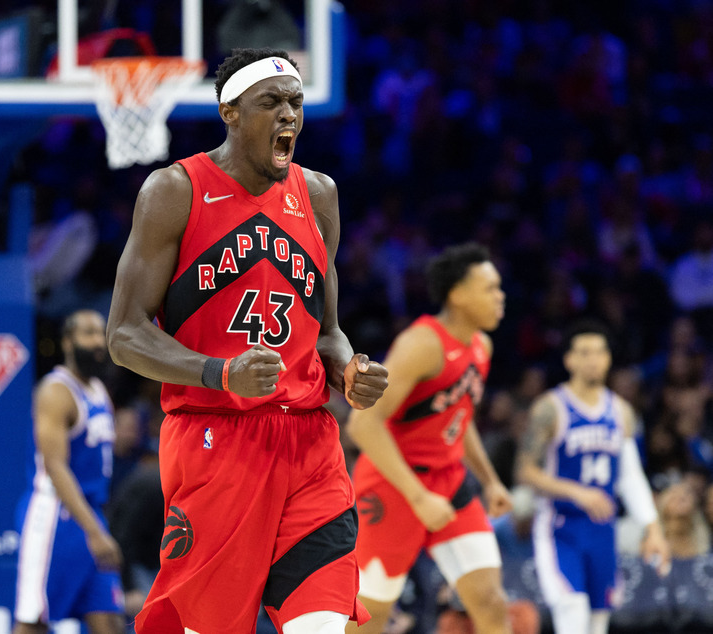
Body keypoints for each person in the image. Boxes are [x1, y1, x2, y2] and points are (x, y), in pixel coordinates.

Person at [107, 47, 389, 634]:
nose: (288, 116)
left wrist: (350, 371)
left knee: (323, 625)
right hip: (217, 439)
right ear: (230, 111)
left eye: (295, 103)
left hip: (311, 442)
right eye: (271, 103)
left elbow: (327, 332)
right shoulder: (174, 191)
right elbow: (124, 334)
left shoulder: (319, 195)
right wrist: (219, 373)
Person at [346, 242, 513, 634]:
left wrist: (490, 481)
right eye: (490, 288)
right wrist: (418, 496)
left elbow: (459, 416)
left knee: (490, 602)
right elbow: (362, 425)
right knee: (372, 616)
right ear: (456, 294)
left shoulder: (481, 345)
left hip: (450, 480)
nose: (500, 296)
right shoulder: (421, 344)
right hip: (393, 484)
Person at [516, 319, 670, 634]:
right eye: (584, 352)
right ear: (569, 359)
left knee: (598, 623)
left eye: (600, 352)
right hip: (561, 528)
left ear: (609, 358)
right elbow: (525, 471)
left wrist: (653, 528)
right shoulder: (550, 408)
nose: (593, 359)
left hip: (603, 530)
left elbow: (630, 476)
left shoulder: (622, 412)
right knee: (572, 614)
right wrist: (576, 492)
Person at [13, 309, 125, 634]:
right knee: (34, 623)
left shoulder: (99, 390)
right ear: (67, 342)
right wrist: (94, 531)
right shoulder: (55, 391)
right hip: (55, 517)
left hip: (89, 512)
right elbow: (55, 466)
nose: (96, 341)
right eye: (87, 333)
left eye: (100, 333)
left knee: (108, 621)